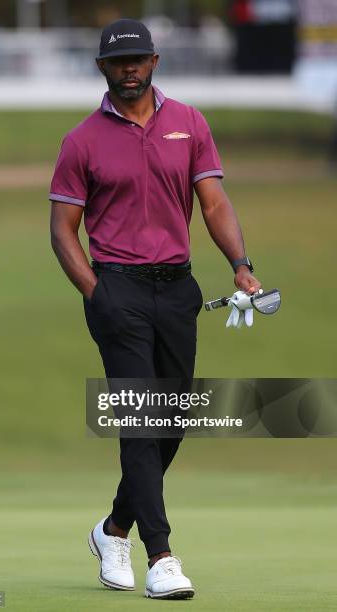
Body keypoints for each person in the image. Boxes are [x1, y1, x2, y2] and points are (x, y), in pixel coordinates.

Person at [49, 18, 262, 600]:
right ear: (102, 68)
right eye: (119, 63)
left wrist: (241, 264)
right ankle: (161, 555)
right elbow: (63, 232)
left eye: (138, 60)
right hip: (117, 289)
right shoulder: (82, 141)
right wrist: (98, 293)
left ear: (155, 62)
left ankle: (113, 529)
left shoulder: (189, 124)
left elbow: (213, 203)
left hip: (178, 290)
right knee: (141, 421)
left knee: (170, 420)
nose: (129, 70)